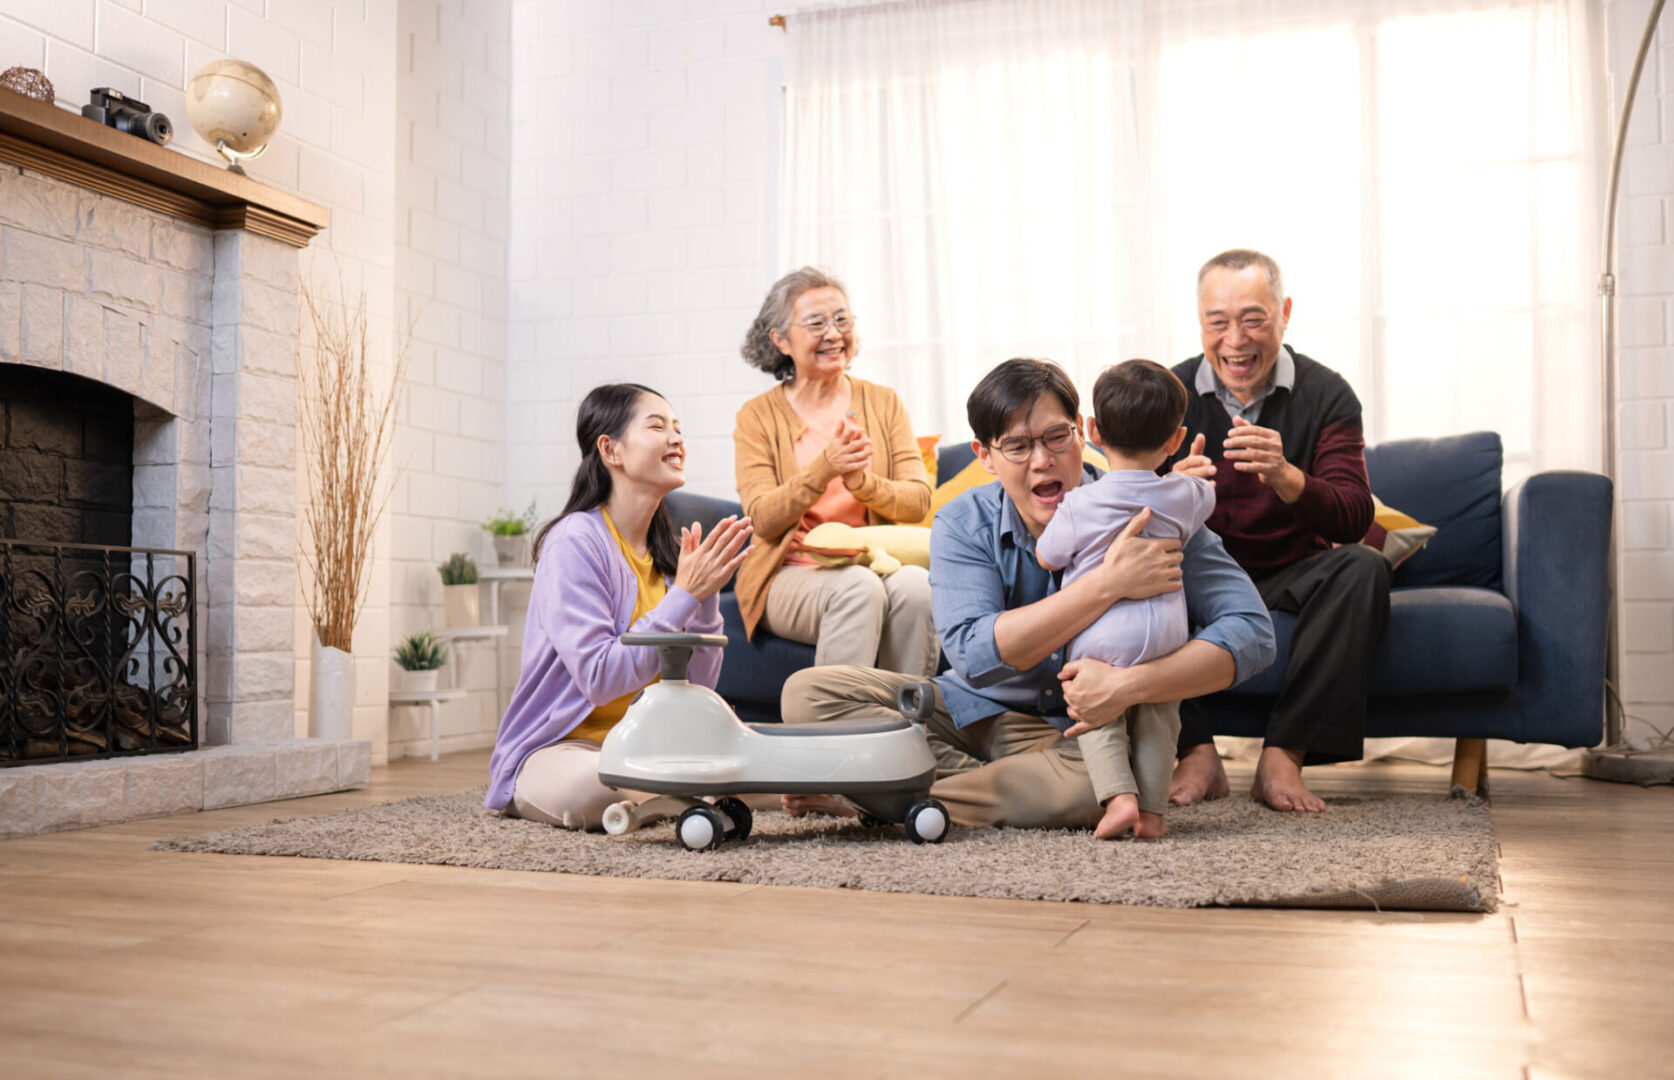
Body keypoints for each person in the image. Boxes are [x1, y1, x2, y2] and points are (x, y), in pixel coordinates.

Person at [779, 358, 1273, 830]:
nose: (1042, 461)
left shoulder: (1159, 511)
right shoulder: (964, 521)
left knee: (1095, 788)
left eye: (1057, 437)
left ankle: (875, 794)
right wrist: (1106, 584)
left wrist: (1128, 687)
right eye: (1017, 446)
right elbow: (974, 655)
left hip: (1081, 736)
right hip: (973, 715)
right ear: (985, 457)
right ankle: (925, 791)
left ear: (1084, 431)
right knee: (808, 694)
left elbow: (1251, 634)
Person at [1164, 249, 1390, 814]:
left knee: (1364, 567)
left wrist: (1287, 476)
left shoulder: (1328, 394)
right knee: (1128, 574)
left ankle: (1284, 753)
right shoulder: (1167, 394)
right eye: (1218, 322)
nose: (1235, 340)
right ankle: (1195, 751)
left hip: (1292, 572)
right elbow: (1117, 511)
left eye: (1253, 319)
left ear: (1284, 313)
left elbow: (1354, 517)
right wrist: (1170, 492)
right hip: (1203, 574)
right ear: (1200, 323)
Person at [484, 383, 752, 830]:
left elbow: (698, 688)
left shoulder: (670, 552)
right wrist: (684, 595)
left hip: (646, 746)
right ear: (610, 450)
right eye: (657, 426)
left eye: (678, 428)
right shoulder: (574, 542)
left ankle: (679, 797)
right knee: (592, 787)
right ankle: (697, 795)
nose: (676, 438)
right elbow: (601, 678)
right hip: (563, 750)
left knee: (744, 750)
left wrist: (704, 598)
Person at [1035, 360, 1215, 840]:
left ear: (1090, 431)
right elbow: (1206, 496)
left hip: (1103, 639)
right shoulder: (1184, 496)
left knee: (1095, 712)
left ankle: (1118, 799)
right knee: (1161, 719)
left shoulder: (1078, 503)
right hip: (1167, 640)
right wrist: (1186, 478)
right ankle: (1153, 814)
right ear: (1175, 440)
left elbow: (1048, 556)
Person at [733, 267, 937, 676]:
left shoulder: (884, 402)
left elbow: (918, 501)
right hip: (790, 572)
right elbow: (762, 518)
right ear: (780, 340)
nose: (833, 333)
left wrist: (864, 484)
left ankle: (907, 725)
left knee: (916, 587)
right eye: (816, 323)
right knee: (858, 590)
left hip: (876, 561)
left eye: (842, 319)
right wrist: (823, 469)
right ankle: (837, 728)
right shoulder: (757, 417)